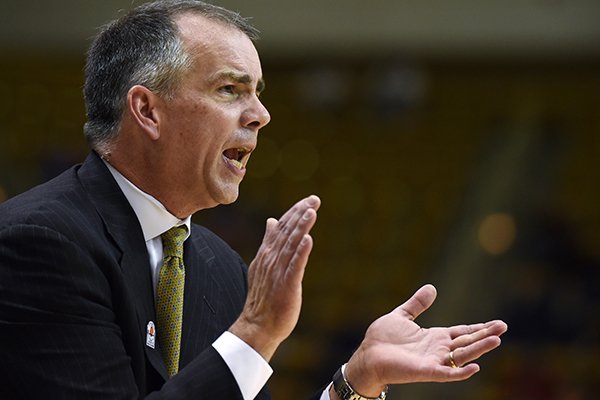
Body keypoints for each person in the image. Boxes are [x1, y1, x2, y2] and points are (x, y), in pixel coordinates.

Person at [0, 1, 507, 399]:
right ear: (147, 111)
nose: (261, 114)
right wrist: (258, 332)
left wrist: (356, 381)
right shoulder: (39, 242)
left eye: (258, 93)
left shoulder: (221, 268)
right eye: (230, 90)